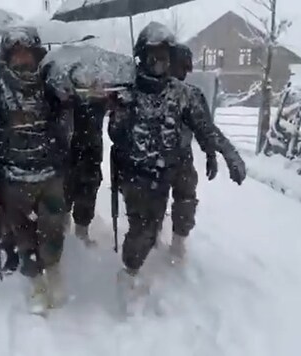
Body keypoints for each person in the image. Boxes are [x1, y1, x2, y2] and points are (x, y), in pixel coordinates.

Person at [108, 22, 246, 312]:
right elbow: (115, 137)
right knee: (142, 231)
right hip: (136, 174)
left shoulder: (184, 94)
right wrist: (118, 114)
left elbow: (206, 129)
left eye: (164, 55)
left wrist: (226, 154)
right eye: (153, 55)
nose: (159, 62)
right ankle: (128, 275)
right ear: (142, 57)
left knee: (164, 217)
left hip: (168, 169)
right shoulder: (127, 93)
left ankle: (165, 246)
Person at [0, 26, 72, 314]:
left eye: (26, 52)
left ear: (36, 54)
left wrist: (60, 80)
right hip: (14, 178)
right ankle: (36, 284)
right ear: (7, 57)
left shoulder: (48, 84)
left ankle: (53, 270)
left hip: (49, 173)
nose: (21, 58)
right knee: (23, 234)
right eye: (15, 53)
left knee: (53, 229)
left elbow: (70, 103)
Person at [157, 43, 246, 263]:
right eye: (181, 66)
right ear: (169, 65)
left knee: (186, 197)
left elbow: (206, 128)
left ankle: (178, 242)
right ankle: (152, 235)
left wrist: (214, 154)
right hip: (154, 157)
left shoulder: (191, 94)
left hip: (182, 155)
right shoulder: (152, 91)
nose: (186, 72)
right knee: (154, 200)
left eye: (188, 67)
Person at [64, 95, 107, 246]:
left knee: (88, 189)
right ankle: (63, 232)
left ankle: (81, 234)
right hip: (66, 145)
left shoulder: (101, 84)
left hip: (92, 150)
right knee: (64, 189)